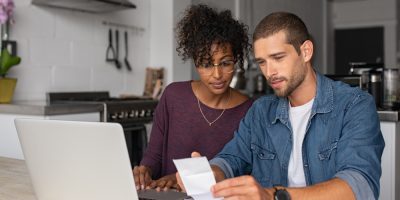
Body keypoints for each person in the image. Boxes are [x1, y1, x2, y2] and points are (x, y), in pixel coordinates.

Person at [177, 12, 385, 200]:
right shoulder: (261, 111)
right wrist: (210, 173)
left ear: (306, 51)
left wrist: (274, 195)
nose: (269, 72)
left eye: (277, 58)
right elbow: (231, 158)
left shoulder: (354, 105)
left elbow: (358, 187)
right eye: (262, 62)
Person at [133, 4, 253, 191]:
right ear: (195, 62)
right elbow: (153, 156)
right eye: (206, 64)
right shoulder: (173, 96)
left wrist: (185, 179)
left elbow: (242, 170)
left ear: (236, 60)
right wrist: (144, 170)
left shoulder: (250, 110)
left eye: (225, 63)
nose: (217, 74)